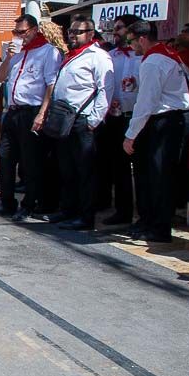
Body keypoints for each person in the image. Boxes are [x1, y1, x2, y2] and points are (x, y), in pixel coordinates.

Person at [122, 20, 189, 244]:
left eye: (131, 41)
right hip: (168, 119)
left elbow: (147, 102)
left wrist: (131, 135)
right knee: (154, 175)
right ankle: (150, 221)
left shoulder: (153, 62)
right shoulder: (164, 55)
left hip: (166, 121)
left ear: (142, 39)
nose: (131, 46)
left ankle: (160, 228)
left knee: (160, 176)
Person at [39, 18, 113, 231]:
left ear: (91, 33)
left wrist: (93, 120)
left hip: (82, 120)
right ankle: (68, 210)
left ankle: (85, 216)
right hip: (64, 120)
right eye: (71, 31)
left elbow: (105, 90)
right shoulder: (70, 55)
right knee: (67, 169)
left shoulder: (98, 57)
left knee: (85, 172)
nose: (72, 35)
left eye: (78, 32)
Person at [0, 14, 61, 220]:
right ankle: (7, 202)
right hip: (13, 111)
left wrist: (42, 113)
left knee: (30, 162)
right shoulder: (16, 52)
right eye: (16, 32)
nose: (18, 36)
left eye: (22, 32)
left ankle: (29, 203)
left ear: (33, 30)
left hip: (31, 111)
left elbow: (51, 84)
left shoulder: (48, 52)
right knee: (5, 158)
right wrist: (8, 57)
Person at [95, 14, 140, 226]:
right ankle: (121, 209)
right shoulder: (110, 56)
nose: (115, 32)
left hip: (138, 117)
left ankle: (144, 213)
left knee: (140, 170)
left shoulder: (142, 57)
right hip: (115, 118)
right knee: (117, 167)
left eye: (120, 28)